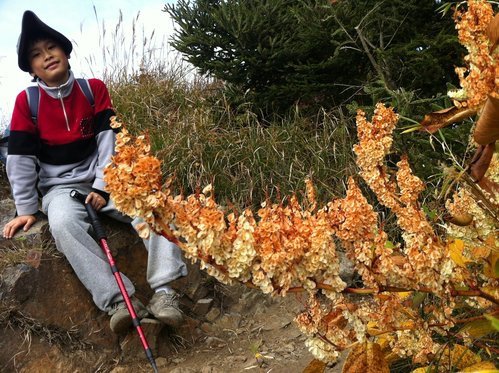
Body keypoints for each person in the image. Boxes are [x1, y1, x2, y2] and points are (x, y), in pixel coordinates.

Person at [2, 10, 188, 333]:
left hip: (106, 179)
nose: (46, 57)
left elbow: (109, 144)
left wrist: (102, 186)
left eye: (51, 48)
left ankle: (165, 293)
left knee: (153, 203)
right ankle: (119, 300)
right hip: (60, 189)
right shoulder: (26, 102)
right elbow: (20, 159)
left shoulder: (93, 90)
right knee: (61, 222)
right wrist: (26, 209)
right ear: (31, 69)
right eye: (36, 55)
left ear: (65, 50)